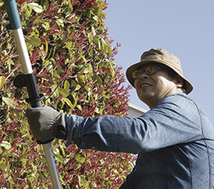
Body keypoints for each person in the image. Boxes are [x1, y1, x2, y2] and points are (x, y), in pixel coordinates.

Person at [26, 48, 214, 188]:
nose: (141, 76)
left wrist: (66, 125)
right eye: (137, 74)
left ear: (178, 81)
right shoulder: (163, 131)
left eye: (152, 69)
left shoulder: (183, 109)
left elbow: (138, 134)